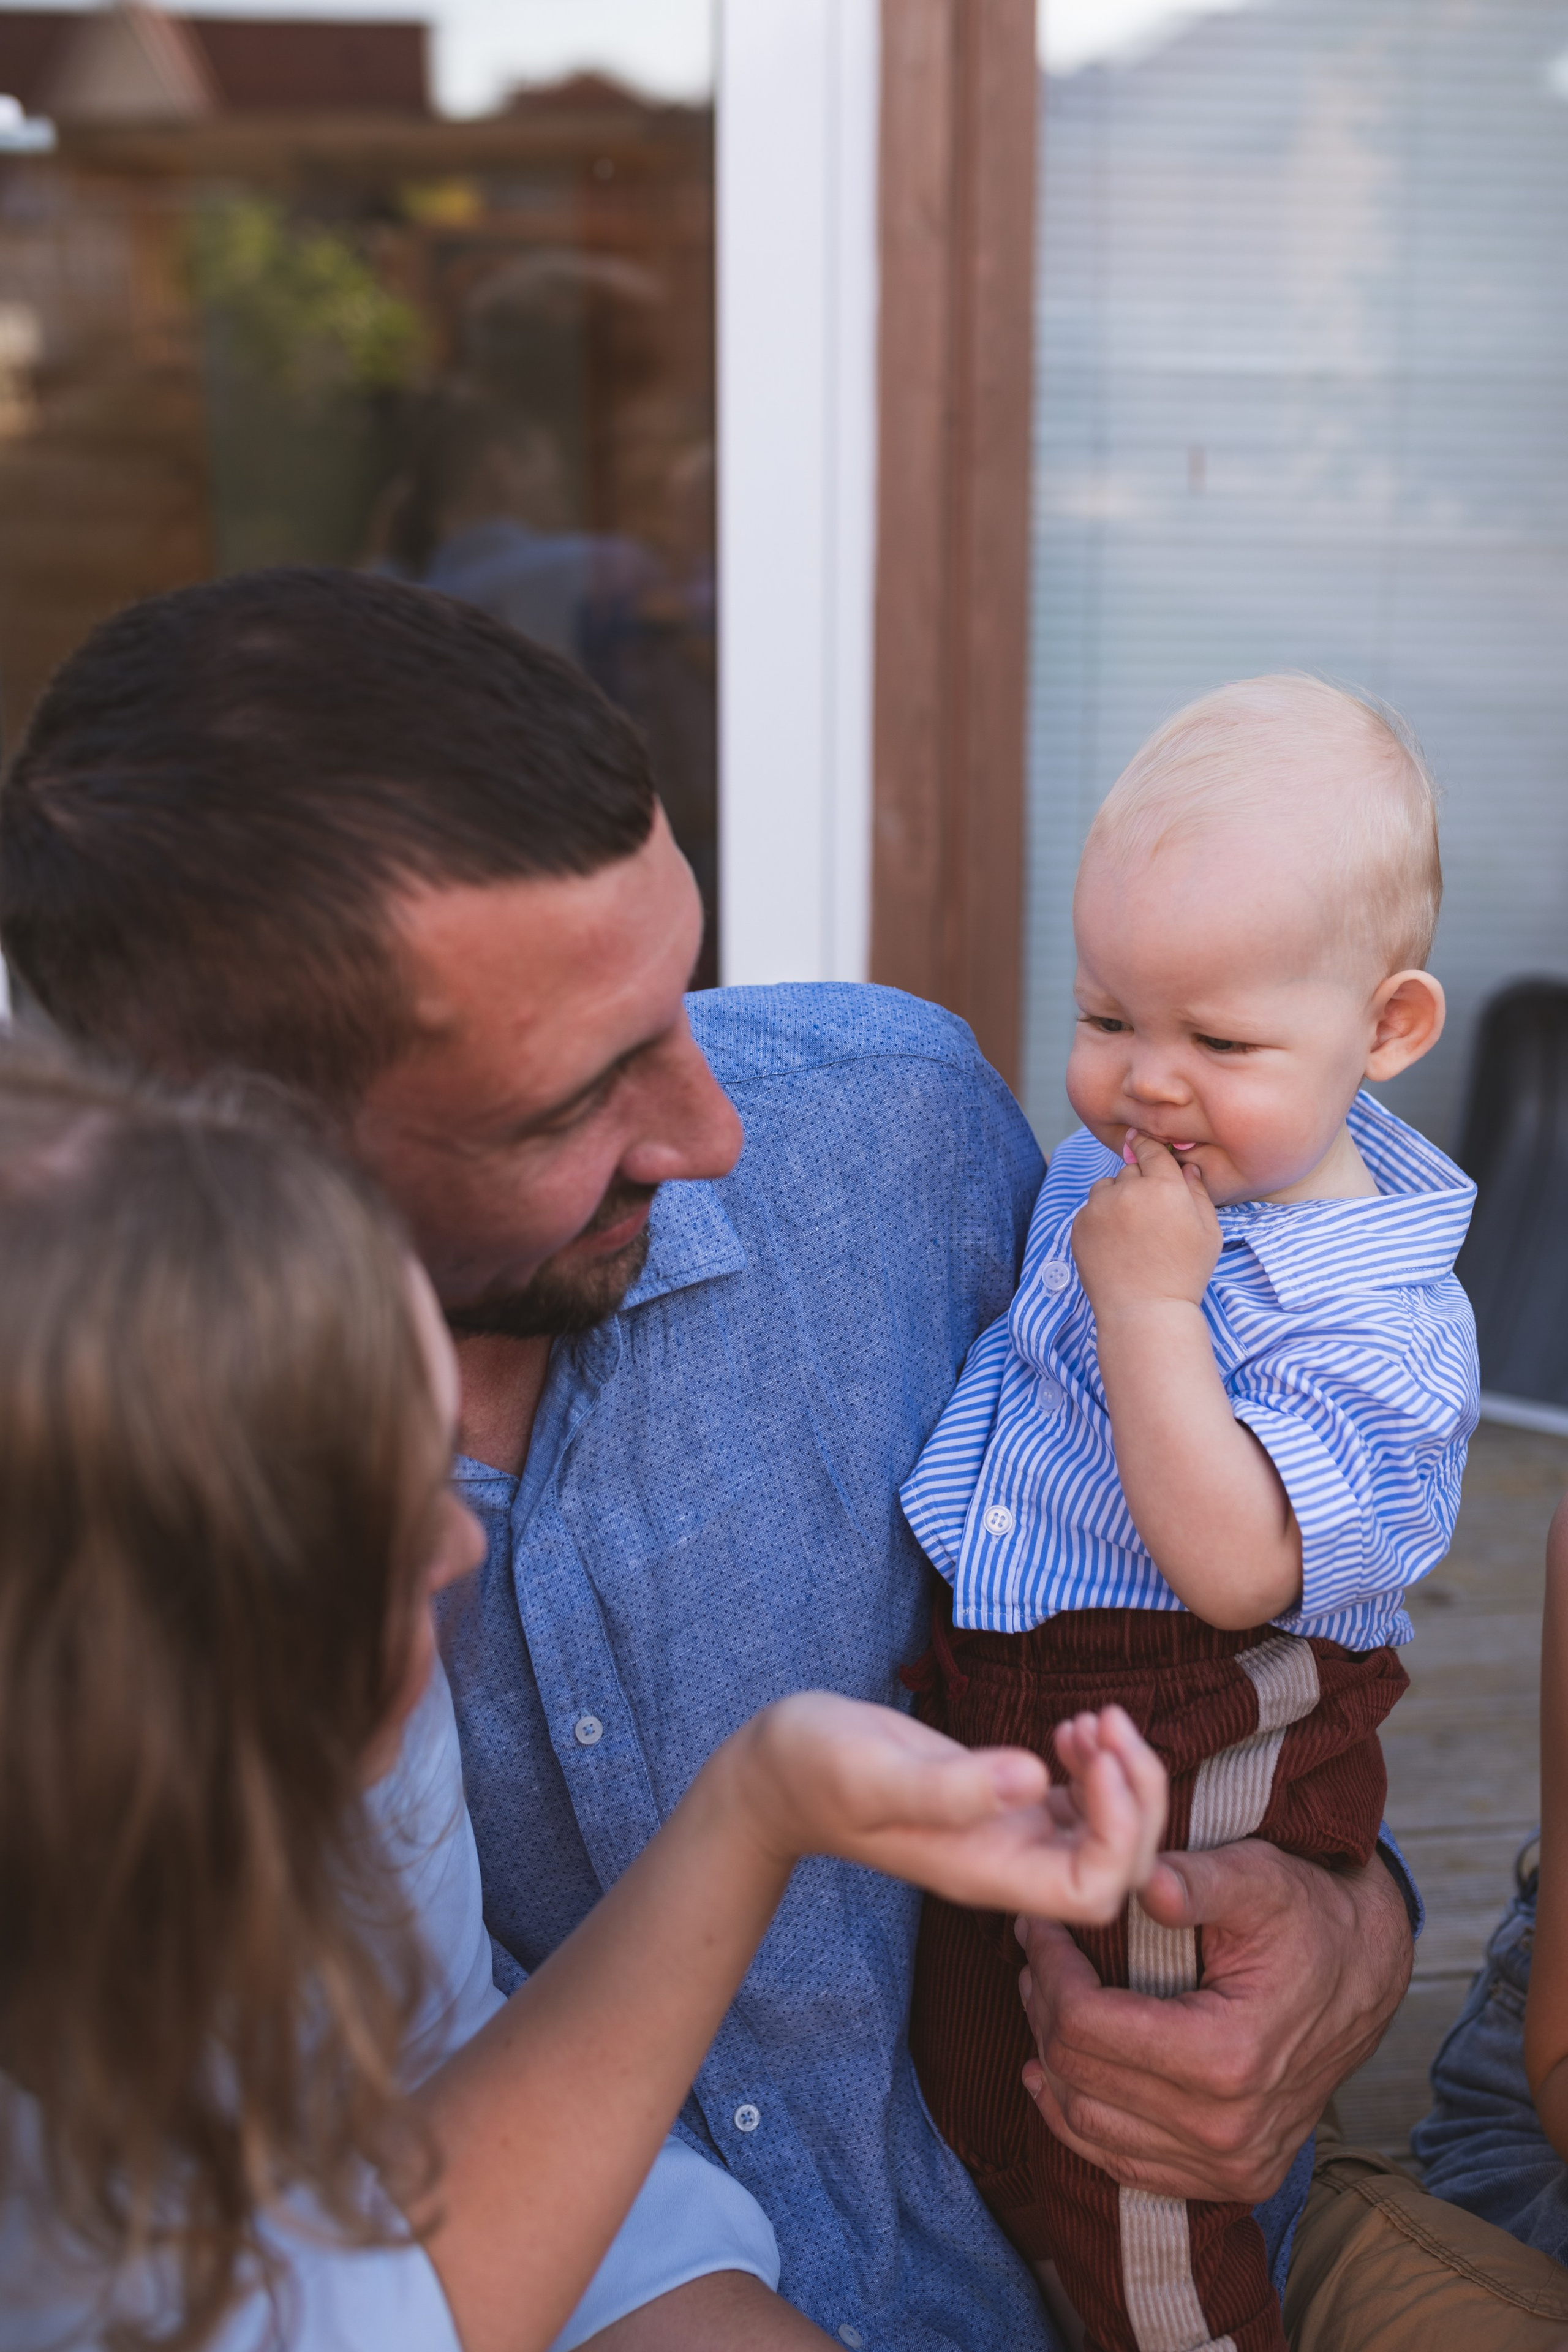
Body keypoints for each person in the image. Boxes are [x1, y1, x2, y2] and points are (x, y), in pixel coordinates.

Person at [0, 571, 1419, 2351]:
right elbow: (362, 2206)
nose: (715, 1123)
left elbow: (1268, 1640)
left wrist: (1347, 1941)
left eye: (688, 986)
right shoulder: (141, 1518)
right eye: (573, 1099)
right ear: (241, 1155)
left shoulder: (901, 1136)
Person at [0, 1051, 1169, 2352]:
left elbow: (434, 2144)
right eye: (380, 1537)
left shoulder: (340, 1762)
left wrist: (764, 1797)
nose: (456, 1554)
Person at [898, 675, 1479, 2352]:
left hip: (1205, 1731)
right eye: (1104, 1017)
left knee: (1130, 2150)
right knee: (988, 2084)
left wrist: (1154, 1313)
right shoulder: (1156, 1163)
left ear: (1385, 1032)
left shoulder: (1371, 1312)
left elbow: (1235, 1565)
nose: (1145, 1084)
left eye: (1218, 1042)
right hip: (1018, 1694)